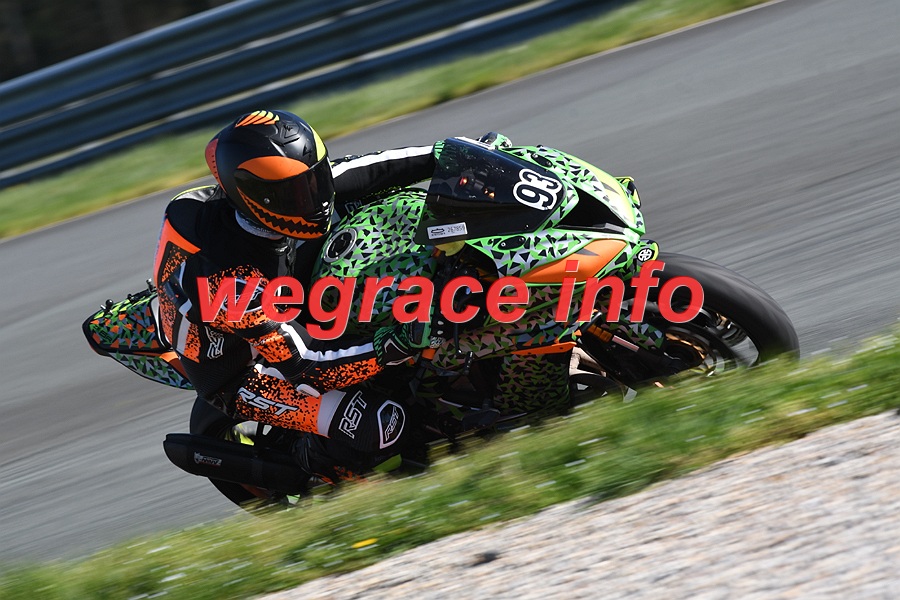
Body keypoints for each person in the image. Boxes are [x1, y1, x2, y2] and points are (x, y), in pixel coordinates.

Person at [153, 109, 441, 482]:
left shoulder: (278, 200)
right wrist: (395, 343)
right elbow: (306, 364)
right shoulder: (227, 281)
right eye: (296, 193)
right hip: (248, 370)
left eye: (314, 180)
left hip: (284, 295)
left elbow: (363, 170)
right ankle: (314, 464)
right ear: (256, 197)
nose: (316, 200)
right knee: (381, 425)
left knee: (369, 204)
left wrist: (446, 154)